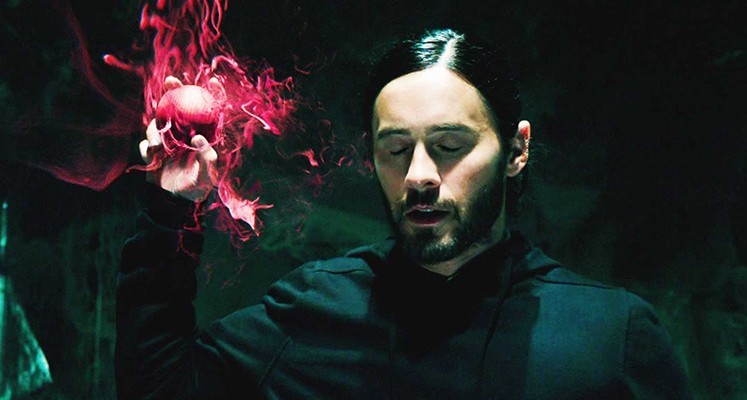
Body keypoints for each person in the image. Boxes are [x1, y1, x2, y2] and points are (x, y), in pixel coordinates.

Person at [116, 29, 692, 399]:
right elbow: (159, 389)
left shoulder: (611, 337)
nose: (418, 174)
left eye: (450, 145)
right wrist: (171, 208)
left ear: (516, 150)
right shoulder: (314, 312)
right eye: (395, 149)